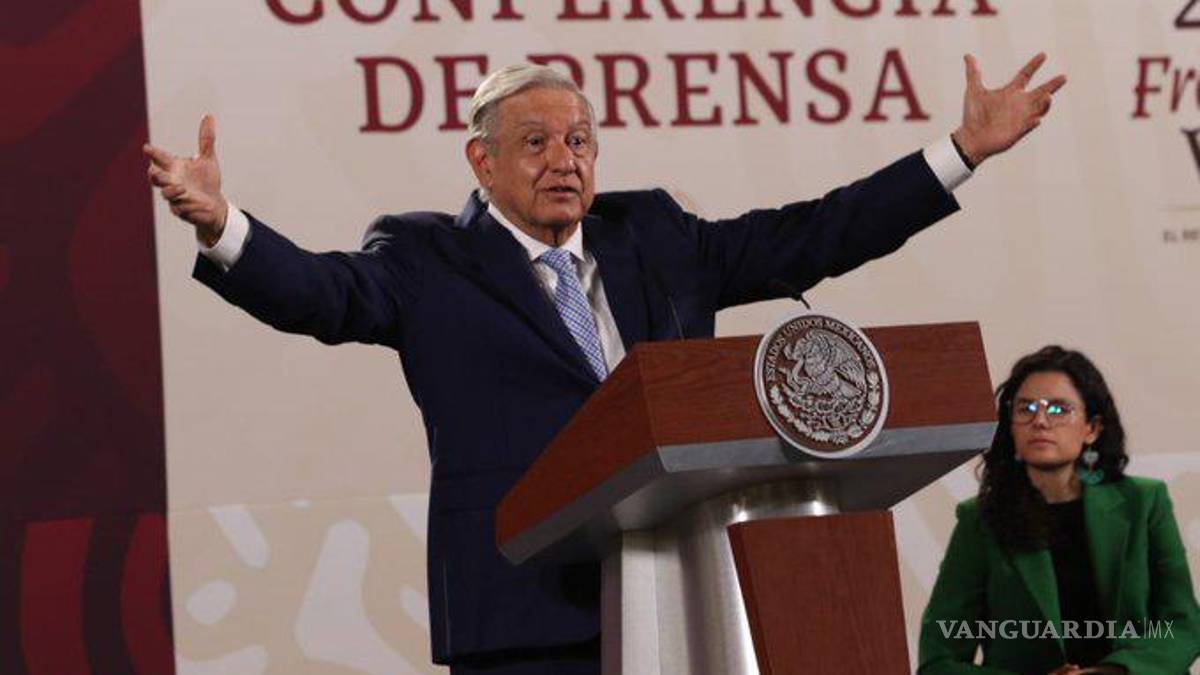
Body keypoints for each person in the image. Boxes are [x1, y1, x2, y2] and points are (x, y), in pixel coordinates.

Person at [146, 56, 1064, 673]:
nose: (564, 160)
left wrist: (959, 154)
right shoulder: (428, 260)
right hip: (525, 611)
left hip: (694, 589)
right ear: (482, 161)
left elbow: (813, 234)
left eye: (579, 140)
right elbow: (322, 293)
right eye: (536, 142)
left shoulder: (653, 234)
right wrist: (223, 226)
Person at [918, 346, 1200, 675]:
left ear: (1091, 428)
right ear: (1010, 427)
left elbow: (1184, 624)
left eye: (1058, 409)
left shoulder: (1144, 502)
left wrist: (1113, 672)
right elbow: (938, 661)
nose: (1040, 421)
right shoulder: (980, 520)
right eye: (1026, 409)